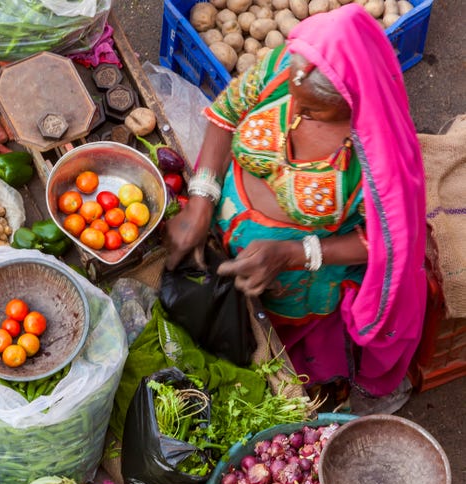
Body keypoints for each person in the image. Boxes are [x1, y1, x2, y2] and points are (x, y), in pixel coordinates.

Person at [162, 5, 426, 414]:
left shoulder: (378, 159)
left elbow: (388, 243)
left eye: (315, 111)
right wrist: (200, 202)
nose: (296, 116)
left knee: (285, 353)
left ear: (355, 103)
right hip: (224, 231)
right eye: (295, 101)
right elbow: (226, 114)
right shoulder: (290, 65)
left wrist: (292, 254)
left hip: (299, 282)